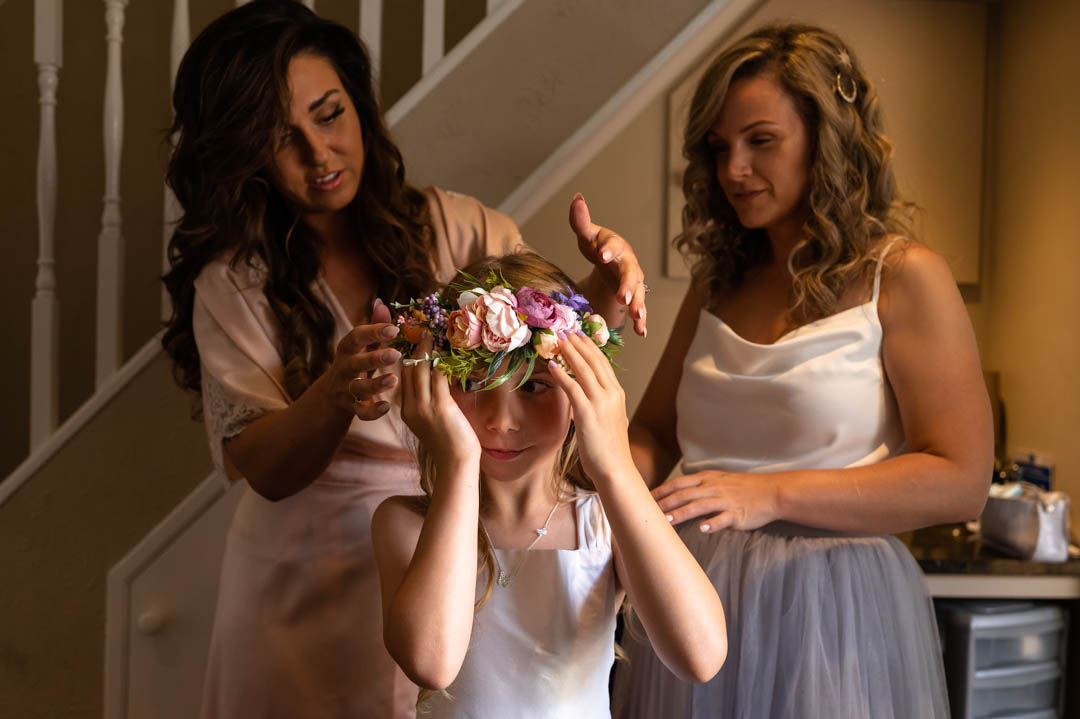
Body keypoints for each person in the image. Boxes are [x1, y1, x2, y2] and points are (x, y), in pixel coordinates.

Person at [160, 2, 648, 717]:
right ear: (244, 155)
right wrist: (332, 394)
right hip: (304, 580)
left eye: (329, 115)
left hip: (455, 543)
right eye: (281, 139)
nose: (319, 154)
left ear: (358, 103)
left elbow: (542, 359)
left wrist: (600, 294)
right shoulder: (234, 280)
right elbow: (262, 467)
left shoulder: (462, 228)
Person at [612, 23, 992, 719]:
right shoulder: (717, 281)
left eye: (761, 140)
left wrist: (770, 494)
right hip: (697, 589)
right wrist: (601, 500)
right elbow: (656, 431)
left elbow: (962, 480)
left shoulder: (905, 278)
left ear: (827, 139)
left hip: (832, 607)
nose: (734, 170)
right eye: (720, 147)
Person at [372, 252, 727, 718]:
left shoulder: (605, 521)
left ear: (580, 389)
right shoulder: (404, 524)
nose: (501, 421)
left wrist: (616, 466)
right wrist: (458, 461)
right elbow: (432, 664)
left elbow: (700, 658)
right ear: (439, 385)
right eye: (475, 383)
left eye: (534, 387)